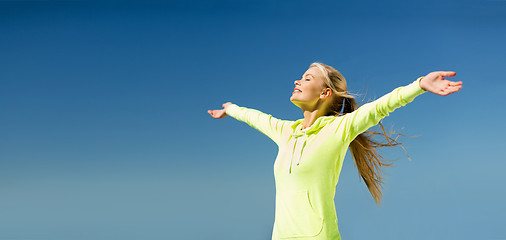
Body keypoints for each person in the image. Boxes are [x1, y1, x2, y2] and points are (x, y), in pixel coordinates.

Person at [207, 62, 462, 240]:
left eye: (307, 78)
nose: (297, 80)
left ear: (325, 93)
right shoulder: (286, 131)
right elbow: (256, 117)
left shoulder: (339, 129)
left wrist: (419, 85)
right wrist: (230, 109)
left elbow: (380, 107)